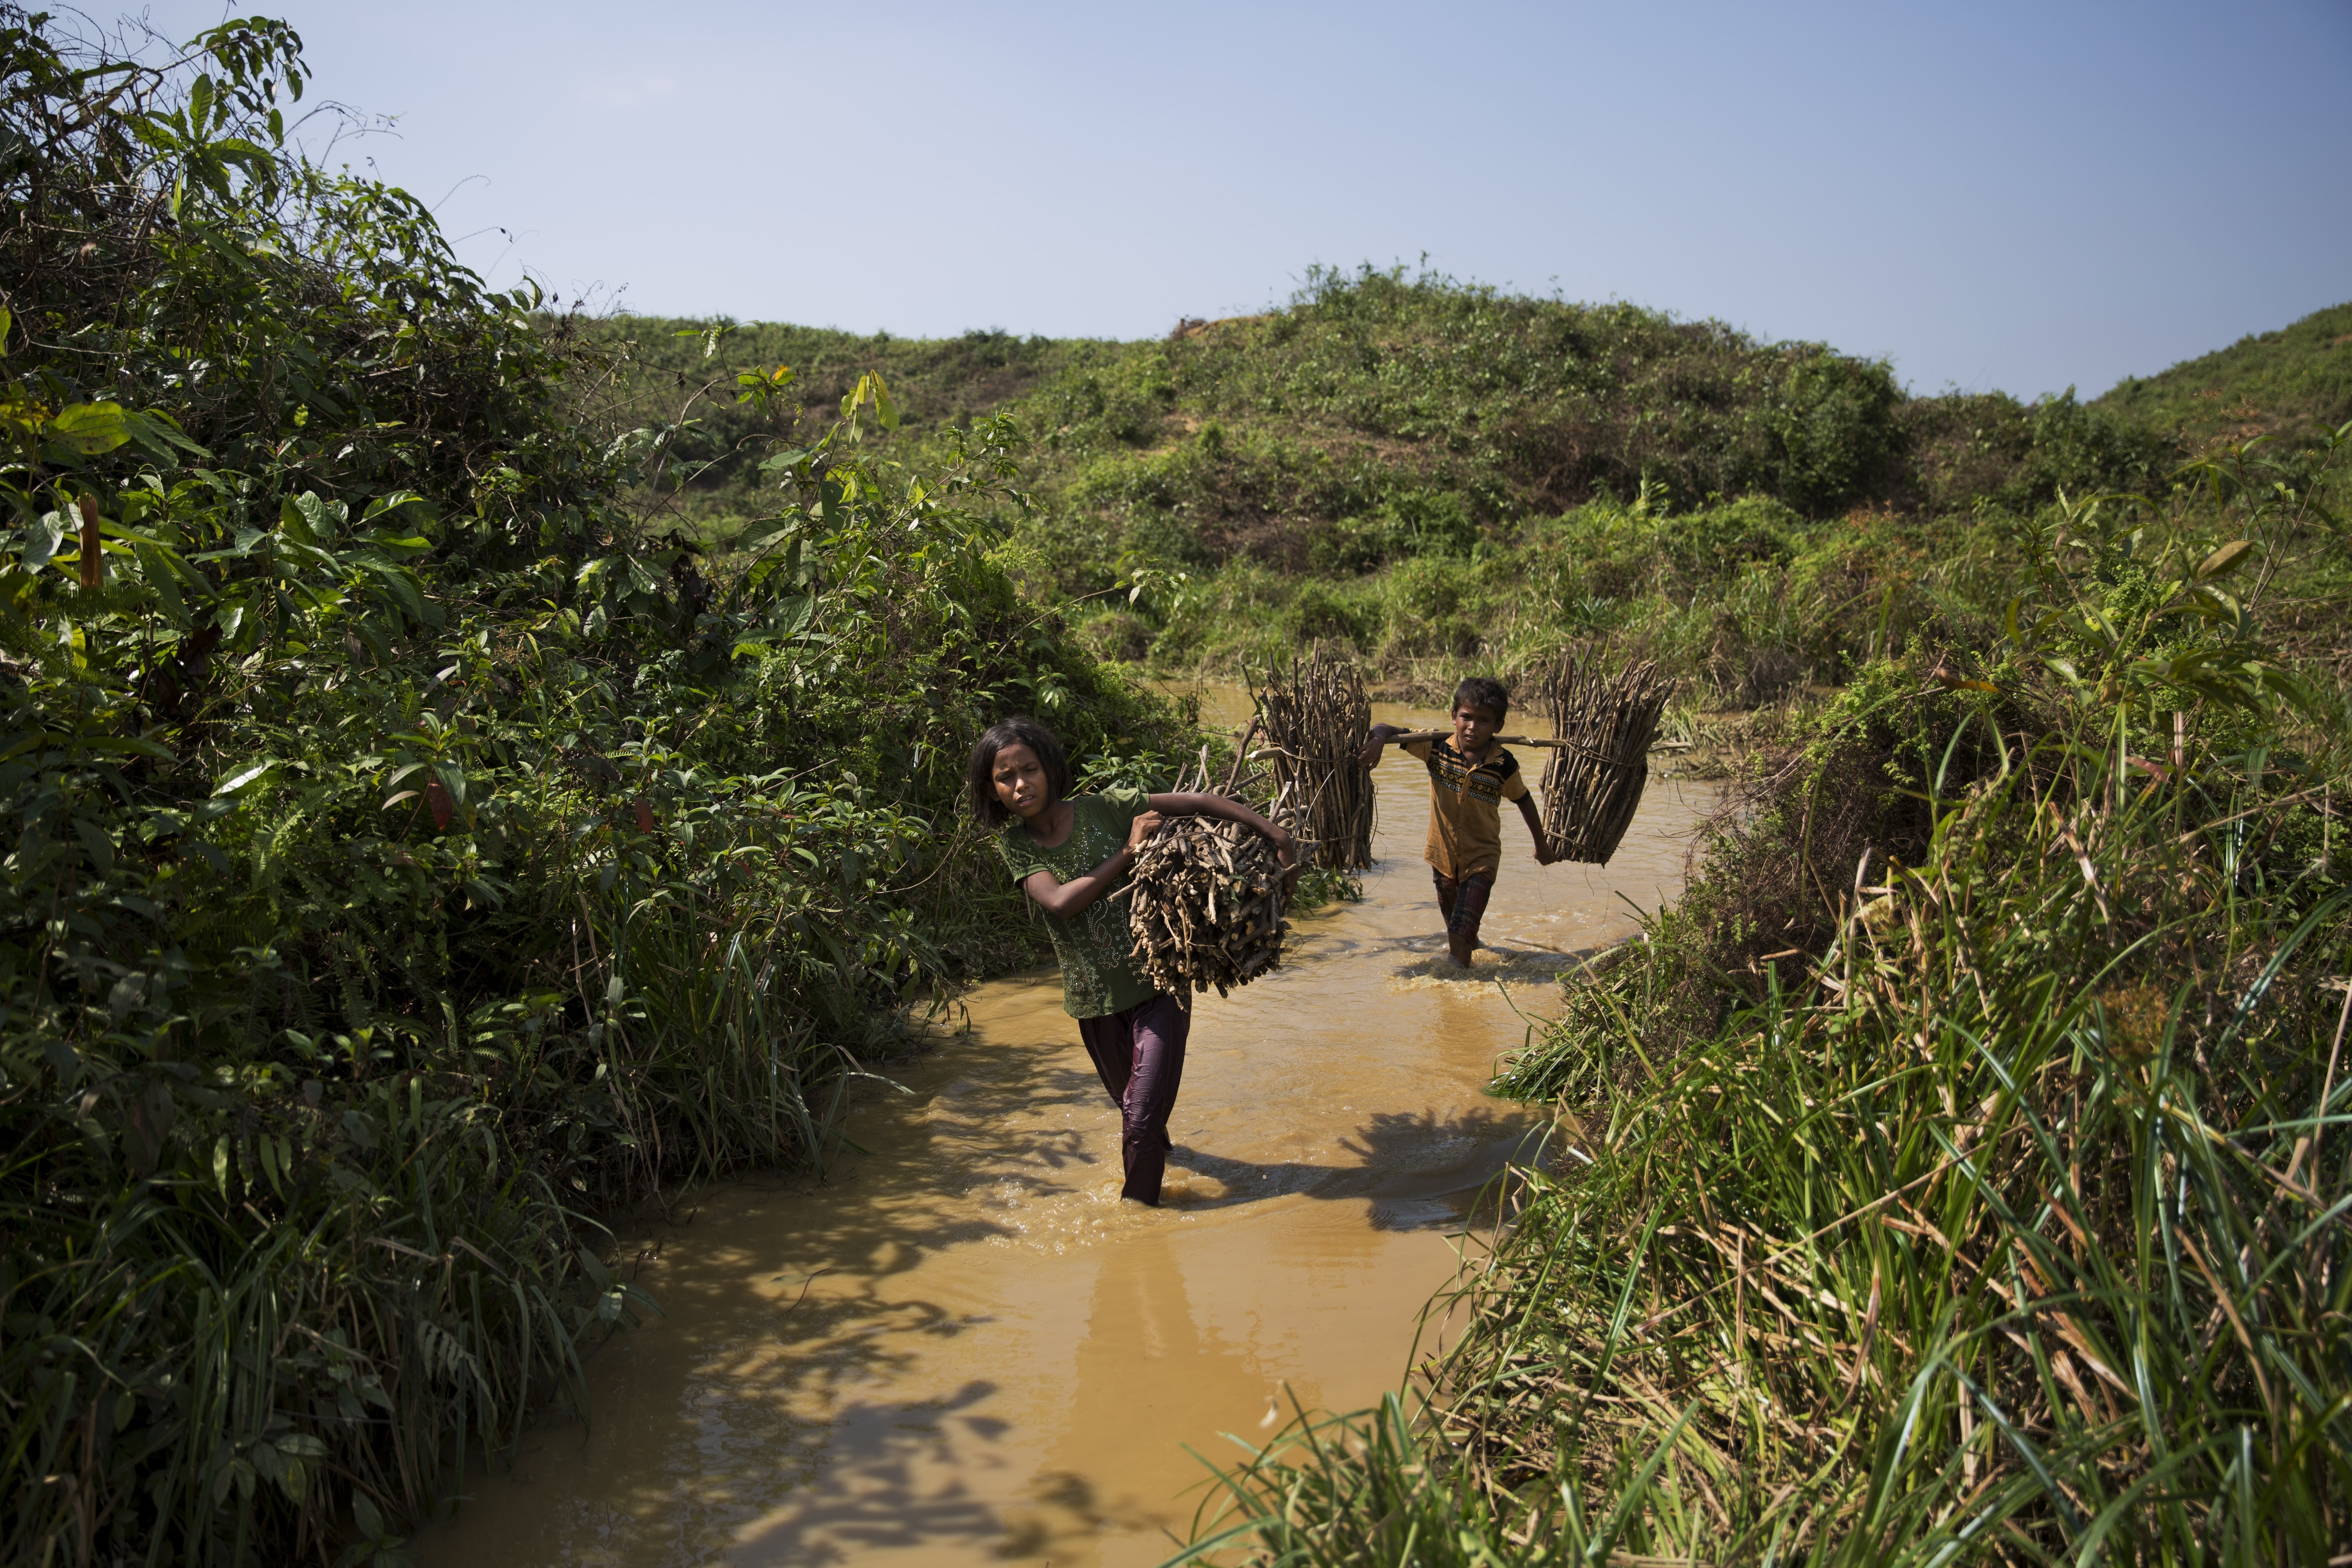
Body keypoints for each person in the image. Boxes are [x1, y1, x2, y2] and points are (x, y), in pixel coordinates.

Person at [969, 716, 1296, 1206]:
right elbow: (1059, 902)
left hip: (1157, 985)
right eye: (1005, 777)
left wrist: (1275, 834)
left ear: (1050, 769)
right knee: (1141, 1119)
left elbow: (1198, 802)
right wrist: (1128, 850)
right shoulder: (1016, 845)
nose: (1020, 785)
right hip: (1095, 1002)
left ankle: (1139, 1221)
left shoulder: (1105, 807)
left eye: (1029, 770)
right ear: (992, 791)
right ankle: (1161, 1175)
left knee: (1140, 1120)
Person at [1358, 677, 1556, 967]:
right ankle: (1473, 959)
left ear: (1498, 726)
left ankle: (1455, 982)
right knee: (1460, 928)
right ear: (1454, 717)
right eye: (1466, 717)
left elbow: (1523, 800)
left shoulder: (1503, 764)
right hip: (1442, 857)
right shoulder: (1435, 747)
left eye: (1484, 721)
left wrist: (1541, 845)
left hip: (1481, 859)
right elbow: (1386, 728)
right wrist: (1378, 740)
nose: (1473, 727)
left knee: (1458, 935)